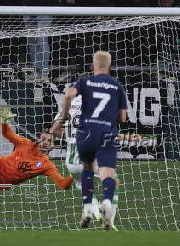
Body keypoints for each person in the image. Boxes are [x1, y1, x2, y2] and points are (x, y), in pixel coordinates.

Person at [52, 51, 127, 230]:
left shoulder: (71, 103)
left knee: (83, 183)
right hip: (96, 148)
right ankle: (109, 217)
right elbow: (121, 118)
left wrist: (69, 135)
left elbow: (55, 130)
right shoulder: (110, 90)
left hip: (71, 157)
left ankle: (92, 210)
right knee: (112, 180)